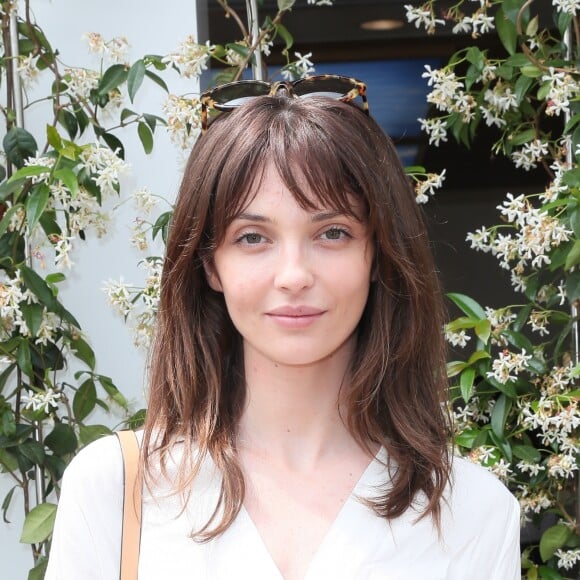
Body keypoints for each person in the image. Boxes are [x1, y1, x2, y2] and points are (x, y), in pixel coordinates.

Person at [46, 75, 520, 579]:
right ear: (210, 264)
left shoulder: (470, 512)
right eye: (253, 237)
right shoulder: (116, 488)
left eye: (332, 233)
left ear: (378, 254)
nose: (294, 275)